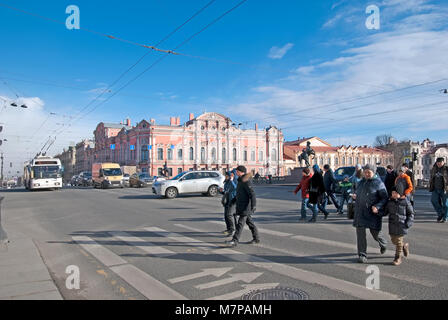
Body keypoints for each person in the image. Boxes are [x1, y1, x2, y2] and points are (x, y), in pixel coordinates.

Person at [352, 164, 388, 263]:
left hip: (373, 213)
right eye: (365, 172)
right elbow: (358, 192)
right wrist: (355, 196)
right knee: (360, 234)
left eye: (369, 172)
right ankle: (362, 254)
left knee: (375, 233)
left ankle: (383, 243)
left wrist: (378, 206)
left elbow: (384, 198)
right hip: (360, 211)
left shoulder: (378, 183)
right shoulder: (361, 182)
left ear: (374, 172)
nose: (367, 174)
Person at [226, 166, 259, 247]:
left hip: (246, 206)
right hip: (240, 205)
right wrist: (232, 201)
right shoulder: (240, 181)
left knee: (240, 224)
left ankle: (235, 240)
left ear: (241, 172)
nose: (236, 173)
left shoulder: (246, 181)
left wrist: (253, 205)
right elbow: (239, 194)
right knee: (250, 223)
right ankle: (256, 238)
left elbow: (252, 194)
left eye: (237, 172)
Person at [382, 187, 414, 266]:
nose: (394, 194)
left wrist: (408, 223)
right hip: (392, 225)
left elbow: (411, 214)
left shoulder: (405, 202)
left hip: (402, 224)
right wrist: (377, 212)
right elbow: (385, 212)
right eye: (393, 193)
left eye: (396, 193)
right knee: (394, 240)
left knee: (398, 241)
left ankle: (397, 257)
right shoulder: (390, 202)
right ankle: (404, 246)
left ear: (400, 194)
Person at [429, 157, 448, 223]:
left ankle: (445, 217)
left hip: (444, 189)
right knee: (433, 201)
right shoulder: (434, 169)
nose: (439, 164)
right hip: (435, 189)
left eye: (440, 162)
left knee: (445, 204)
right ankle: (440, 213)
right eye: (437, 162)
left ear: (443, 162)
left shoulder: (446, 169)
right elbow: (431, 178)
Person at [220, 170, 238, 236]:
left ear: (230, 176)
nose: (226, 177)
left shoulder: (234, 181)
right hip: (227, 200)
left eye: (227, 176)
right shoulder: (226, 182)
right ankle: (229, 229)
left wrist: (231, 180)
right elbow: (226, 191)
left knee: (229, 215)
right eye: (225, 176)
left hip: (233, 200)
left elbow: (235, 188)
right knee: (226, 216)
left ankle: (232, 229)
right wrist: (221, 191)